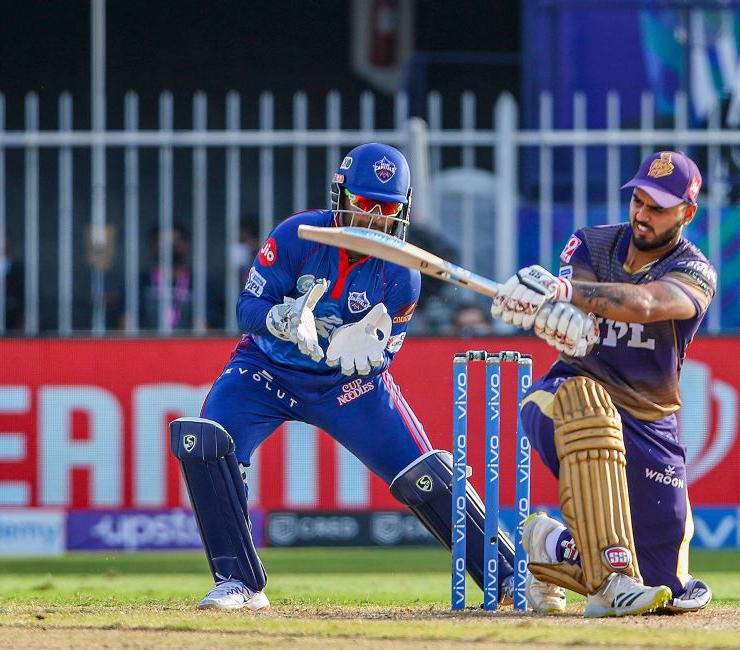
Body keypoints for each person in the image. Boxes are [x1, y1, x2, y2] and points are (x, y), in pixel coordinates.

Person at [170, 143, 525, 612]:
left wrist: (365, 353)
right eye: (365, 204)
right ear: (341, 197)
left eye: (388, 209)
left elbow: (387, 352)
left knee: (424, 473)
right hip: (266, 368)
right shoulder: (298, 235)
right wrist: (280, 317)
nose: (375, 219)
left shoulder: (405, 272)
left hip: (344, 386)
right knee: (205, 441)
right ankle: (239, 582)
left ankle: (507, 578)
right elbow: (246, 309)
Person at [491, 150, 715, 617]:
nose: (642, 214)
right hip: (565, 395)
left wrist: (565, 293)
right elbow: (572, 306)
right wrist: (548, 310)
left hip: (649, 422)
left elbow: (650, 305)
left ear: (687, 213)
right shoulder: (591, 244)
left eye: (658, 207)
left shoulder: (696, 271)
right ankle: (611, 581)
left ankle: (548, 545)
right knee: (591, 415)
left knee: (663, 587)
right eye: (638, 201)